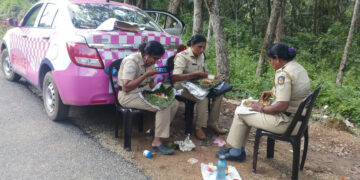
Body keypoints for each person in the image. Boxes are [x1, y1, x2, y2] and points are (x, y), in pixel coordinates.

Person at [217, 42, 311, 161]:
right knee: (247, 107)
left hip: (286, 122)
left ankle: (235, 152)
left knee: (241, 113)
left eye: (270, 60)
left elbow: (282, 105)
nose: (271, 64)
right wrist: (272, 92)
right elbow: (293, 90)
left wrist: (261, 109)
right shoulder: (297, 68)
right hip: (299, 120)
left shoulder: (283, 75)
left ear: (276, 59)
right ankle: (236, 147)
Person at [117, 41, 179, 155]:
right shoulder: (132, 61)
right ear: (146, 53)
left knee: (174, 102)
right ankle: (157, 142)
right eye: (155, 58)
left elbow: (151, 84)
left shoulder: (150, 62)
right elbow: (126, 87)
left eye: (158, 59)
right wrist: (145, 75)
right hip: (129, 95)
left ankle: (157, 130)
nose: (156, 62)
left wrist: (165, 91)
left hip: (145, 92)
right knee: (164, 105)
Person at [172, 34, 226, 140]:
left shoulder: (201, 56)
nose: (202, 50)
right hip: (181, 86)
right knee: (203, 97)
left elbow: (204, 73)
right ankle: (199, 127)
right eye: (199, 47)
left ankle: (212, 123)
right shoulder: (182, 56)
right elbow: (175, 77)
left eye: (204, 47)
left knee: (219, 93)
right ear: (192, 45)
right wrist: (195, 74)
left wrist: (214, 77)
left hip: (197, 85)